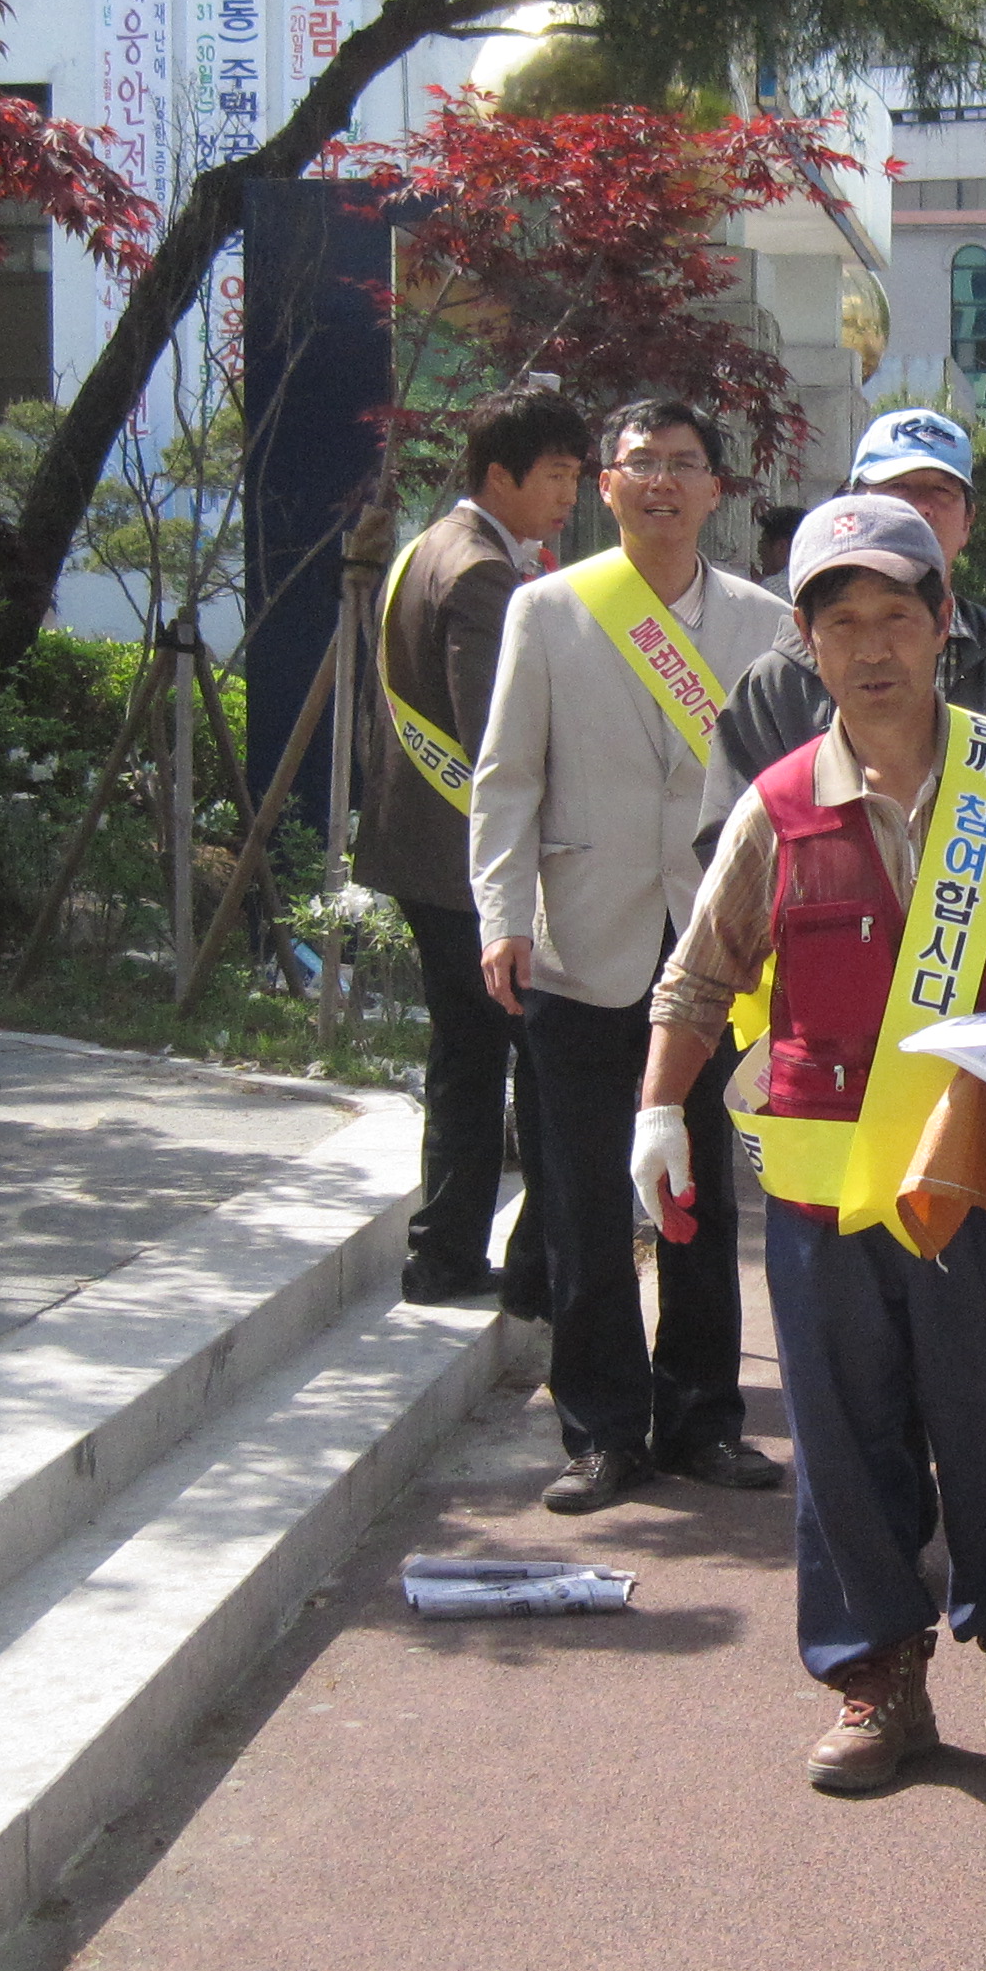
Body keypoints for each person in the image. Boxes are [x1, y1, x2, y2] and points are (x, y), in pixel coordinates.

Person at [636, 493, 986, 1793]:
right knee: (843, 1438)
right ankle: (876, 1682)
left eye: (896, 616)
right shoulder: (778, 806)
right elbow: (696, 978)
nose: (872, 646)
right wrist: (651, 1112)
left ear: (942, 624)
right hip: (824, 1183)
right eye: (841, 621)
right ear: (806, 642)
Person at [472, 396, 794, 1512]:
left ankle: (705, 1416)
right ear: (605, 484)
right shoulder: (548, 612)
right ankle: (602, 1430)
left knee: (702, 1190)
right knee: (582, 1198)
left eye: (686, 465)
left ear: (717, 490)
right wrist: (501, 912)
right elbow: (506, 777)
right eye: (640, 463)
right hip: (578, 937)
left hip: (713, 944)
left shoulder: (766, 622)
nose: (663, 482)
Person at [352, 382, 587, 1310]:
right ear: (501, 475)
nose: (571, 495)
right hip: (471, 872)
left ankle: (444, 1253)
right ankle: (524, 1268)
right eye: (559, 476)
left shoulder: (427, 547)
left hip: (425, 854)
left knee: (465, 1058)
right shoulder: (482, 573)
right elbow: (499, 729)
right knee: (527, 1059)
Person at [701, 406, 986, 899]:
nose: (920, 510)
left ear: (969, 522)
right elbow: (730, 859)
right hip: (830, 966)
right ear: (851, 506)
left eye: (940, 493)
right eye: (897, 490)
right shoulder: (776, 681)